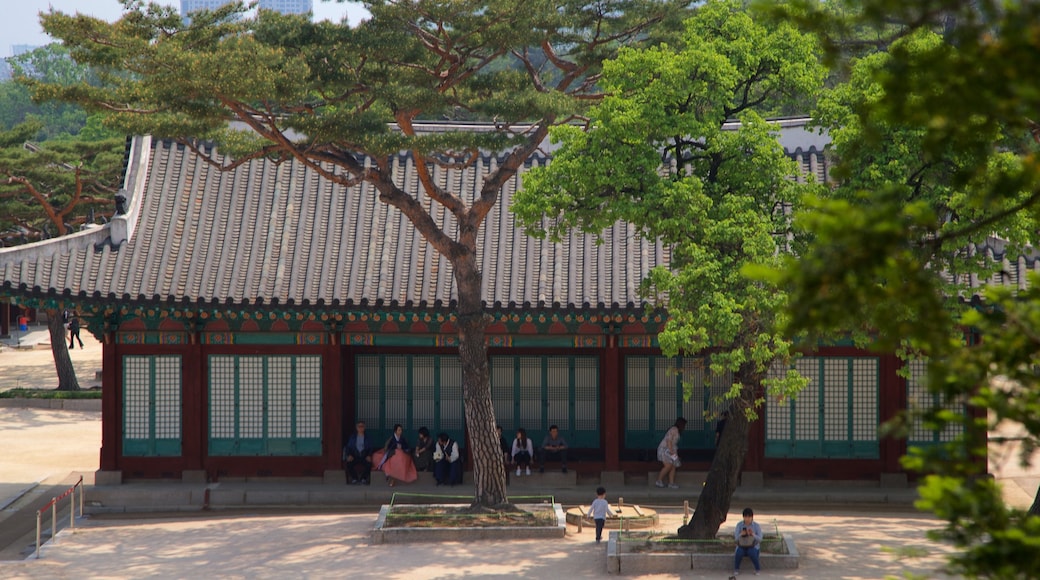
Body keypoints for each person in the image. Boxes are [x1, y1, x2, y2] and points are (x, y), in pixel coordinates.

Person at [655, 417, 687, 489]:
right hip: (665, 449)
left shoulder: (677, 431)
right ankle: (659, 480)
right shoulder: (674, 429)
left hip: (671, 449)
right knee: (668, 466)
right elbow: (669, 441)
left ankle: (671, 483)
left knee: (673, 466)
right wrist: (672, 452)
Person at [734, 507, 763, 576]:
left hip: (753, 545)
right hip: (742, 545)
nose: (747, 519)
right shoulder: (739, 525)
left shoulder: (756, 526)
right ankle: (736, 569)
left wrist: (753, 534)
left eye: (749, 517)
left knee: (752, 552)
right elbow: (736, 538)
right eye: (745, 517)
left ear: (752, 517)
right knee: (739, 552)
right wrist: (741, 534)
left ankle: (757, 569)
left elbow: (760, 539)